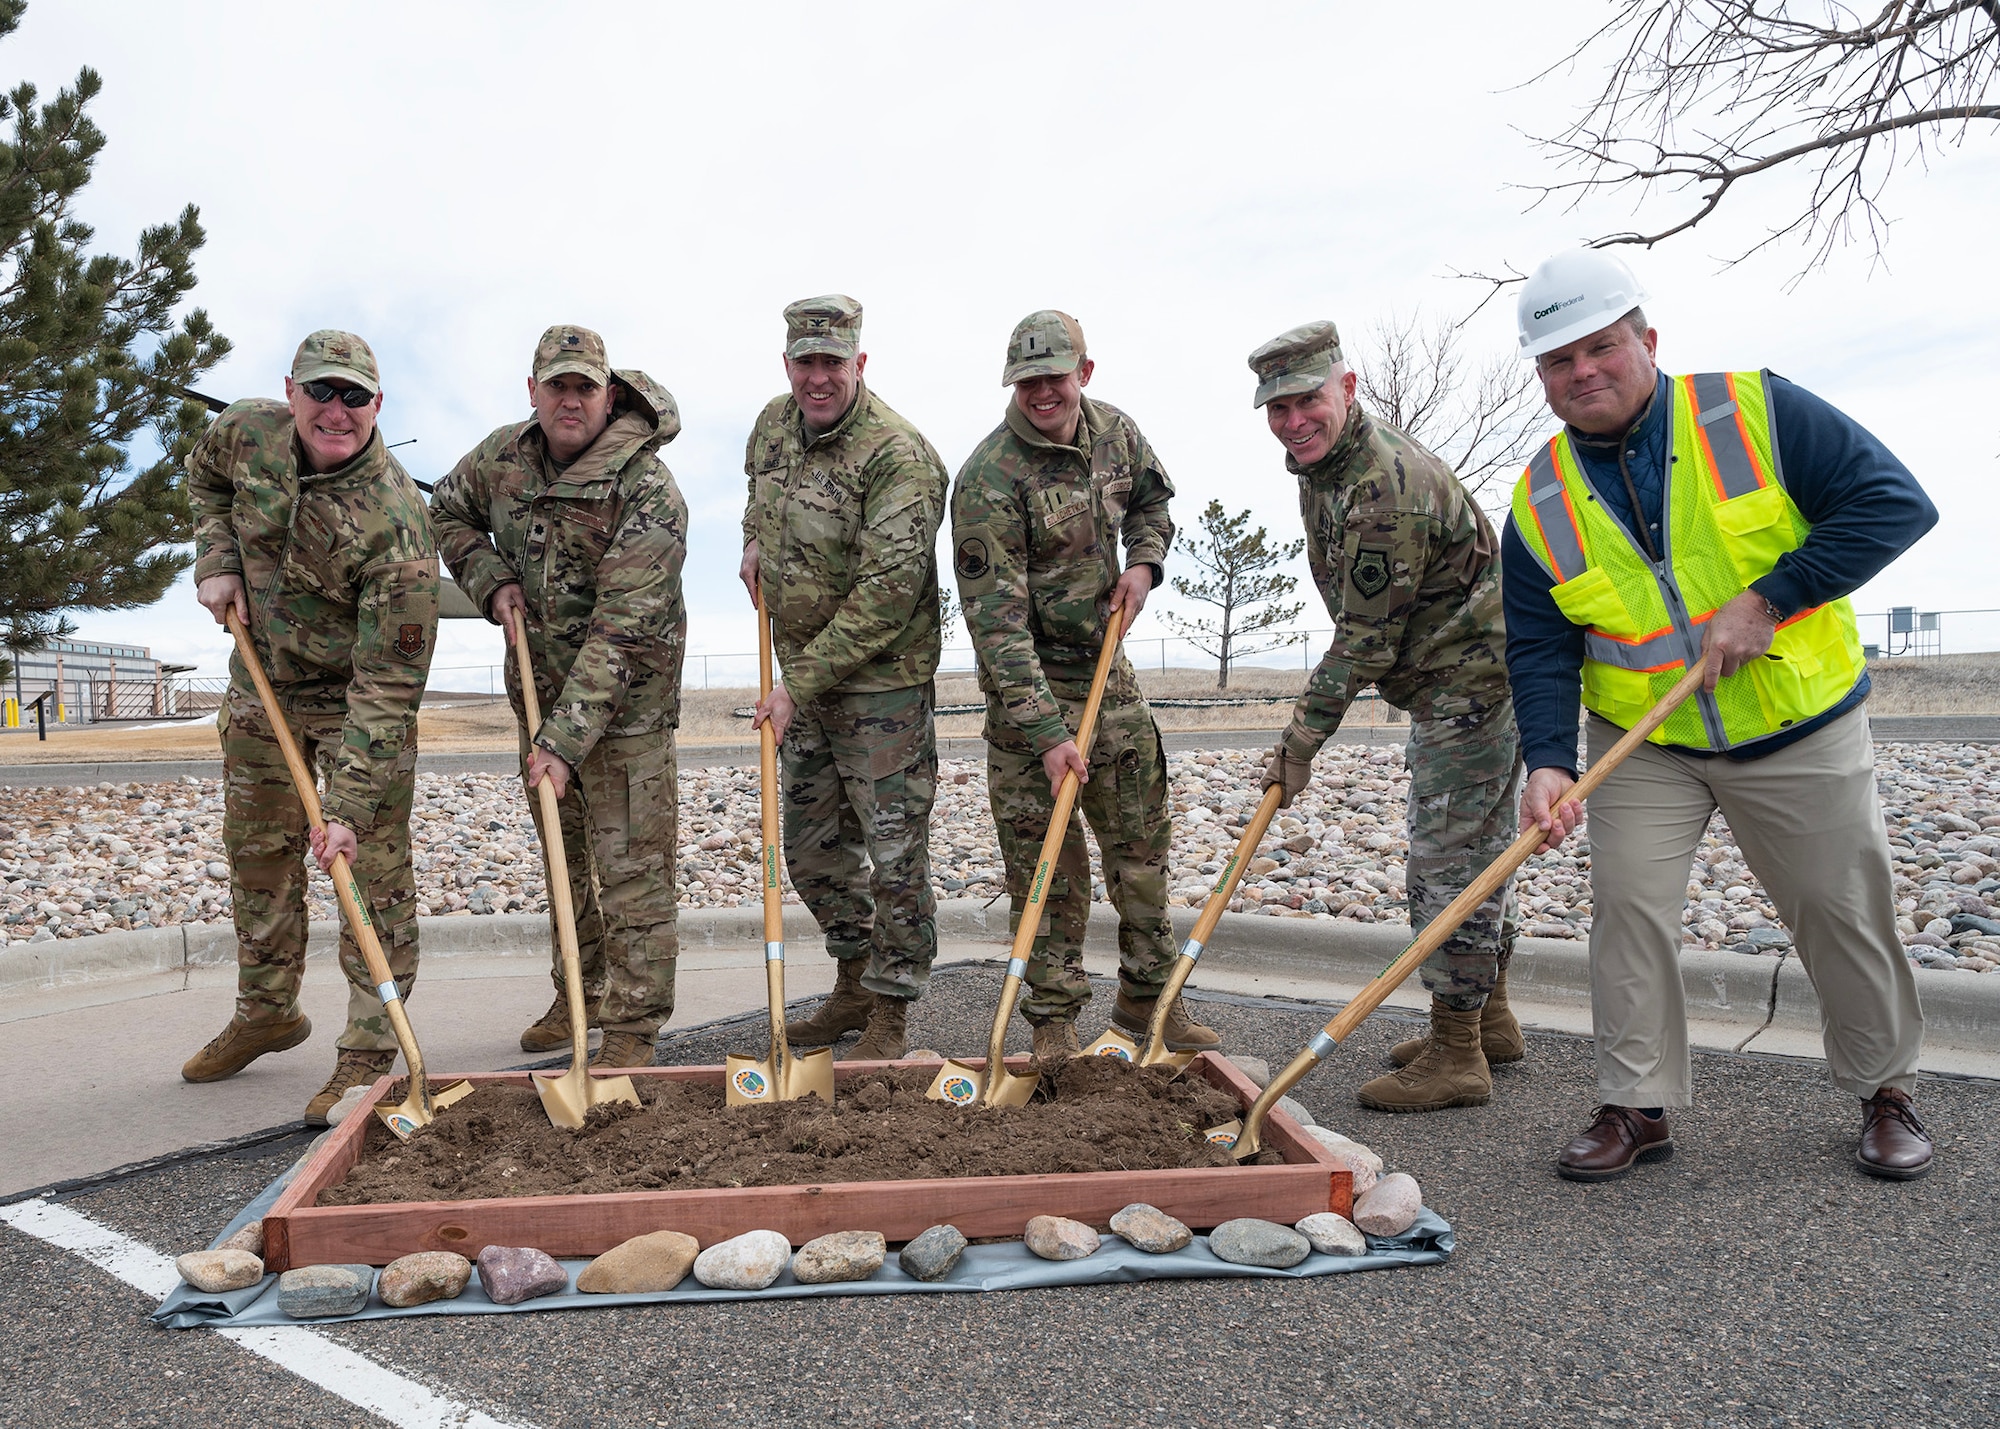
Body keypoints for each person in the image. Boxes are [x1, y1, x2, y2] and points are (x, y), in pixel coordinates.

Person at [1504, 247, 1939, 1181]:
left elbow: (1893, 504)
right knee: (1627, 912)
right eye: (1558, 361)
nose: (1583, 372)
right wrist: (1547, 761)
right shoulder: (1538, 498)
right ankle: (1637, 1102)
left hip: (1797, 723)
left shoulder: (1754, 411)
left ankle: (1886, 1089)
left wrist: (1774, 596)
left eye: (1601, 348)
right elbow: (1540, 647)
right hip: (1645, 741)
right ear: (1541, 377)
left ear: (1646, 340)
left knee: (1838, 909)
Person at [1248, 321, 1519, 1113]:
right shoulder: (1322, 467)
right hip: (1450, 679)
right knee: (1476, 848)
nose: (1293, 421)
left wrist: (1299, 742)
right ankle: (1490, 1018)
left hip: (1473, 683)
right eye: (1277, 407)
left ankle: (1459, 1051)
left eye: (1308, 401)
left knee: (1447, 862)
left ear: (1348, 387)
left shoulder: (1381, 489)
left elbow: (1365, 635)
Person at [180, 330, 439, 1124]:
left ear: (378, 405)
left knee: (365, 874)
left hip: (353, 699)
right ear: (290, 390)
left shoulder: (397, 526)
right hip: (260, 684)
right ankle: (268, 1010)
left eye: (355, 396)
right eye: (322, 392)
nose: (337, 411)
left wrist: (350, 811)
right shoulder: (249, 432)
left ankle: (367, 1052)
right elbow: (204, 476)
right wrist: (215, 555)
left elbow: (390, 687)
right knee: (257, 854)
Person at [951, 309, 1219, 1060]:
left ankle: (1150, 1002)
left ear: (1084, 374)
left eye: (1055, 378)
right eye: (1028, 381)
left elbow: (1154, 502)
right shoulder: (988, 479)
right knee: (1048, 863)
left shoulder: (1117, 434)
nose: (1043, 393)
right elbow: (996, 627)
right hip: (1027, 691)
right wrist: (1046, 735)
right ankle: (1054, 1017)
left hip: (1109, 670)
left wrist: (1144, 563)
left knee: (1141, 840)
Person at [431, 326, 688, 1070]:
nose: (570, 400)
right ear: (533, 392)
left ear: (609, 394)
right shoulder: (502, 459)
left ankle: (633, 1029)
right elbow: (445, 511)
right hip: (540, 698)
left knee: (633, 866)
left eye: (585, 387)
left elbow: (621, 634)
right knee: (564, 858)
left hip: (627, 708)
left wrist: (562, 746)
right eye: (557, 386)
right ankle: (577, 992)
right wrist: (489, 579)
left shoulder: (648, 490)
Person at [737, 295, 947, 1061]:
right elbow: (758, 495)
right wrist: (754, 542)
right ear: (788, 363)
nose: (817, 378)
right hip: (808, 684)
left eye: (833, 363)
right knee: (812, 849)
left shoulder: (899, 456)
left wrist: (795, 685)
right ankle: (853, 979)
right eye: (805, 363)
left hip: (880, 688)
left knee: (894, 855)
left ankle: (892, 1006)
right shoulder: (772, 425)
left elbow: (885, 598)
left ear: (859, 363)